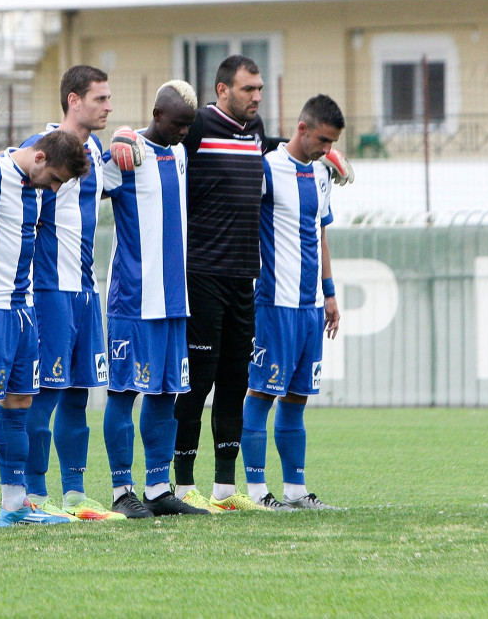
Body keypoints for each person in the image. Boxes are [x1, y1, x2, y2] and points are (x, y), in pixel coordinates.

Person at [0, 130, 89, 526]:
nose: (54, 189)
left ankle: (15, 502)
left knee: (19, 404)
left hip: (23, 309)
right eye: (54, 180)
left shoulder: (34, 185)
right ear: (40, 158)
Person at [19, 65, 124, 522]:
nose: (108, 106)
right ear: (74, 101)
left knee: (80, 393)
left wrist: (129, 139)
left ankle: (76, 494)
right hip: (48, 289)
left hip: (86, 289)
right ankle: (33, 495)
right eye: (100, 99)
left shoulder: (97, 151)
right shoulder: (39, 147)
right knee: (45, 393)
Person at [102, 82, 208, 518]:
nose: (184, 132)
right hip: (132, 298)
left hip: (173, 299)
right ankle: (120, 490)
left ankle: (157, 488)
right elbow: (82, 186)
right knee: (123, 393)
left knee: (166, 396)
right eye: (178, 124)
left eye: (189, 126)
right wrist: (116, 139)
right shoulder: (125, 155)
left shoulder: (180, 153)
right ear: (157, 114)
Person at [171, 55, 271, 512]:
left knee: (236, 380)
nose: (256, 97)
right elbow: (155, 137)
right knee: (199, 381)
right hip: (202, 275)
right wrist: (122, 138)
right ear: (222, 90)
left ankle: (226, 492)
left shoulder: (254, 131)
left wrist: (325, 152)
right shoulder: (197, 126)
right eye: (248, 89)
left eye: (259, 89)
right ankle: (181, 484)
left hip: (242, 278)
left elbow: (279, 146)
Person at [241, 95, 345, 511]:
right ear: (302, 129)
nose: (328, 149)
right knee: (262, 393)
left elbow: (321, 233)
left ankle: (296, 491)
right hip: (274, 302)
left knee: (297, 398)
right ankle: (255, 492)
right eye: (323, 139)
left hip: (310, 306)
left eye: (333, 143)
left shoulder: (321, 173)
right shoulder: (267, 167)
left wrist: (331, 292)